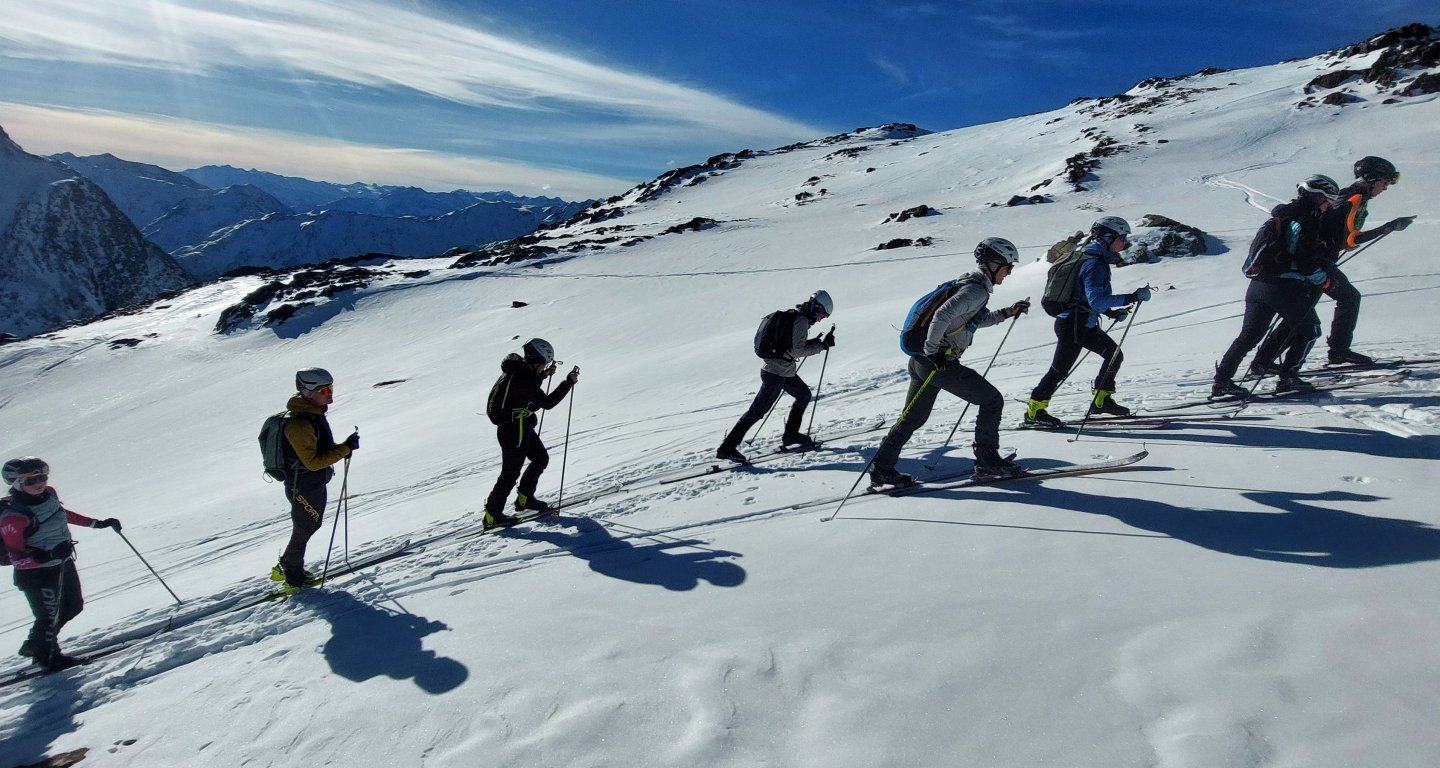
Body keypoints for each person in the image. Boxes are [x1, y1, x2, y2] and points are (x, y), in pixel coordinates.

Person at [870, 238, 1031, 484]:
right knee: (992, 400)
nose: (1009, 272)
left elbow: (974, 320)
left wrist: (1008, 312)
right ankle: (987, 462)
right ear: (994, 264)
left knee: (912, 418)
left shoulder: (968, 286)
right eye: (1008, 267)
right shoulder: (974, 290)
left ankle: (882, 467)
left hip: (921, 363)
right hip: (938, 363)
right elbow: (942, 314)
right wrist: (933, 350)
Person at [1253, 156, 1413, 367]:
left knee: (1306, 312)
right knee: (1340, 301)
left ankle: (1264, 361)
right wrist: (1388, 227)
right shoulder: (1354, 198)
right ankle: (1337, 351)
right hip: (1316, 262)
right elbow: (1349, 239)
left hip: (1316, 260)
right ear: (1372, 179)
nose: (1385, 188)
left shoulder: (1352, 196)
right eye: (1385, 182)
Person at [1212, 175, 1340, 398]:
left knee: (1249, 335)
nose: (1328, 206)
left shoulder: (1280, 216)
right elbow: (1305, 262)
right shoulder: (1307, 219)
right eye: (1328, 201)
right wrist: (1324, 280)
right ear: (1319, 198)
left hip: (1258, 285)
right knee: (1310, 330)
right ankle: (1289, 377)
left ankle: (1222, 382)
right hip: (1284, 286)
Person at [1024, 216, 1152, 427]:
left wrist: (1110, 313)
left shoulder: (1089, 256)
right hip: (1075, 325)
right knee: (1059, 370)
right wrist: (1133, 297)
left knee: (1113, 355)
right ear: (1107, 237)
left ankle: (1102, 402)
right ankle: (1034, 411)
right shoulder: (1094, 263)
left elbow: (1086, 297)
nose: (1125, 242)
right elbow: (1097, 300)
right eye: (1122, 237)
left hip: (1080, 322)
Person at [2, 457, 122, 672]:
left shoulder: (50, 495)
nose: (40, 483)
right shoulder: (13, 518)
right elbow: (17, 558)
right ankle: (48, 658)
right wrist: (47, 556)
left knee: (73, 606)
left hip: (62, 563)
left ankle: (36, 645)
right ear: (17, 484)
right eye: (31, 480)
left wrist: (96, 523)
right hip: (36, 575)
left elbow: (60, 514)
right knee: (48, 617)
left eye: (43, 477)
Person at [716, 291, 836, 464]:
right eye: (821, 314)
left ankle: (791, 435)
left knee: (803, 395)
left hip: (782, 371)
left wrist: (818, 344)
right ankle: (726, 449)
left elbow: (791, 347)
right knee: (756, 412)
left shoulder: (797, 317)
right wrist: (821, 345)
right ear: (815, 307)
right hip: (775, 374)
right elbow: (797, 351)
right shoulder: (801, 320)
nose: (821, 319)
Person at [271, 368, 358, 593]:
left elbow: (320, 452)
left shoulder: (313, 414)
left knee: (310, 524)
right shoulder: (299, 424)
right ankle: (293, 578)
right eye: (325, 390)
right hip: (303, 485)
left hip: (312, 483)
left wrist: (343, 448)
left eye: (331, 388)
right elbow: (313, 462)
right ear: (309, 393)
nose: (330, 394)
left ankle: (285, 567)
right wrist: (345, 449)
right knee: (304, 527)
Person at [484, 338, 579, 528]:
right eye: (544, 364)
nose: (545, 367)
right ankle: (492, 516)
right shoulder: (523, 378)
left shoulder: (519, 370)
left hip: (519, 426)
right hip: (514, 430)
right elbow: (547, 403)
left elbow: (526, 389)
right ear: (537, 360)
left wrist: (543, 375)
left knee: (540, 458)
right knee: (510, 473)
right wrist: (568, 382)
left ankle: (525, 498)